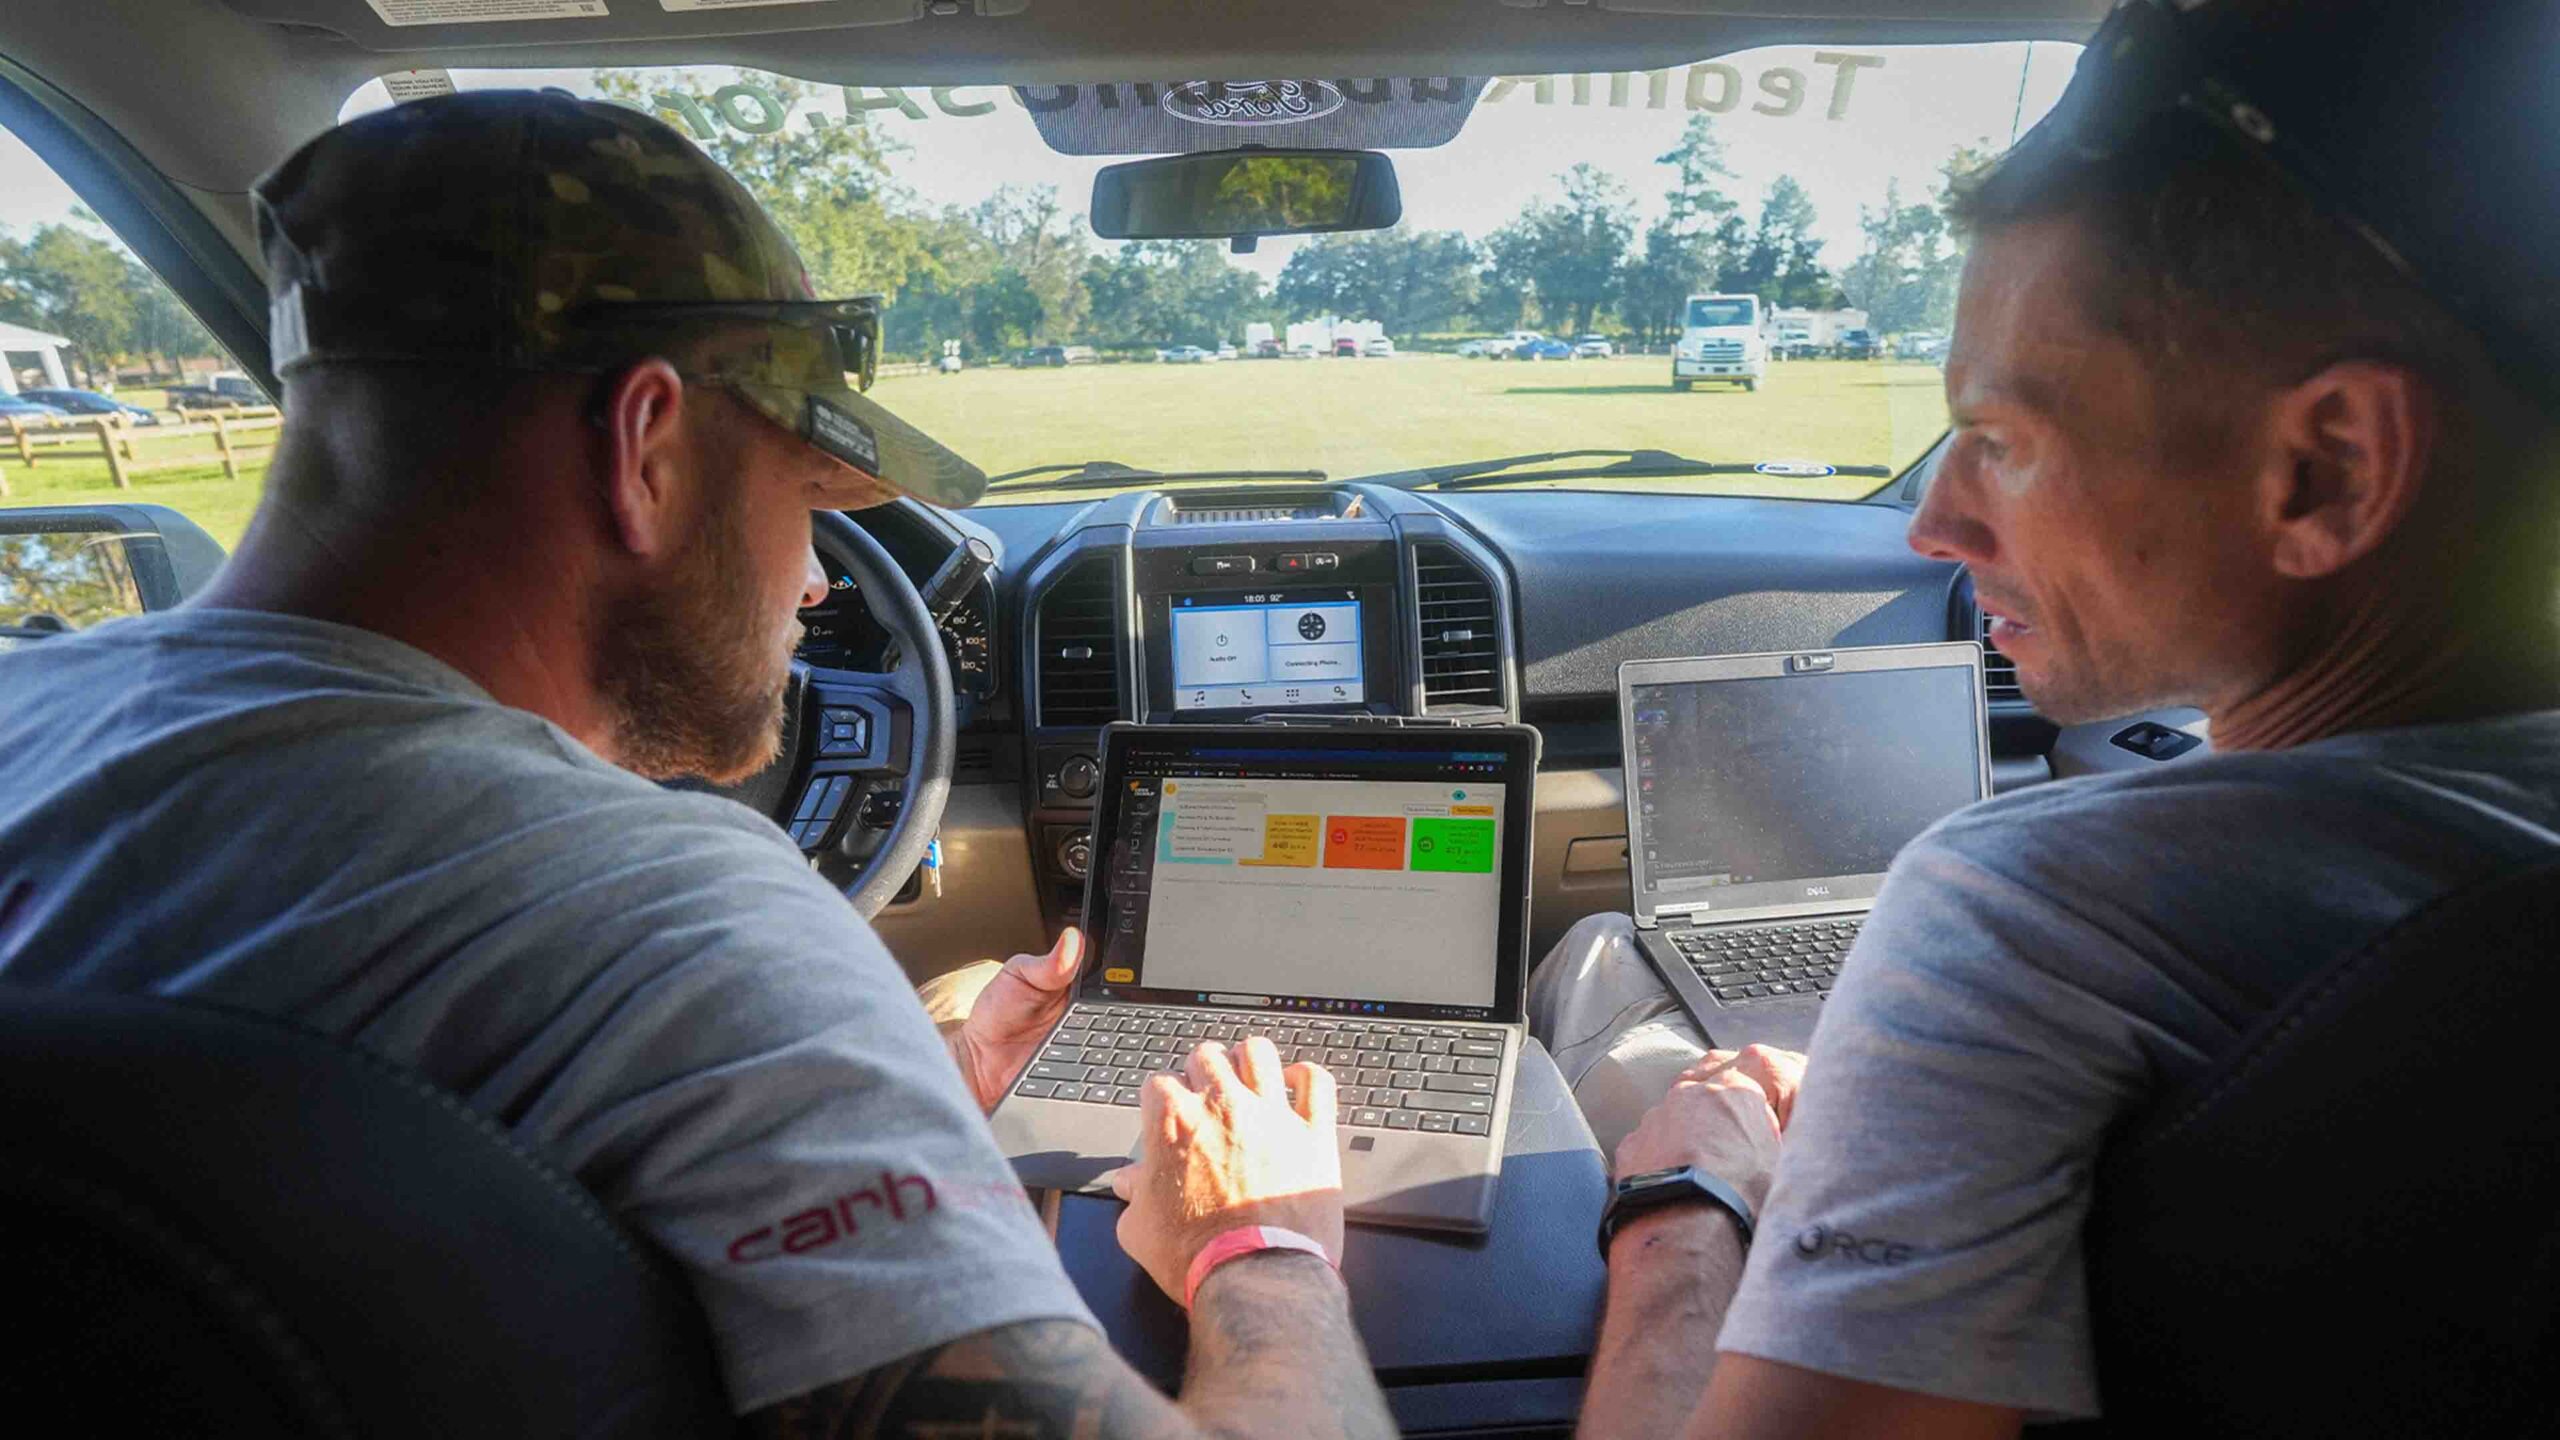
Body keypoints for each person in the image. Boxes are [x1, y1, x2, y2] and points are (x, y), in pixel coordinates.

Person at [0, 92, 1388, 1439]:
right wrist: (1261, 1247)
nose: (818, 591)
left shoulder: (27, 724)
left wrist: (881, 1097)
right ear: (645, 446)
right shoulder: (672, 924)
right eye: (800, 494)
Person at [1534, 1, 2560, 1434]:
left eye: (2006, 442)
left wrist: (1682, 1196)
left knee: (1601, 988)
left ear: (2328, 469)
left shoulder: (2021, 916)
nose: (1933, 525)